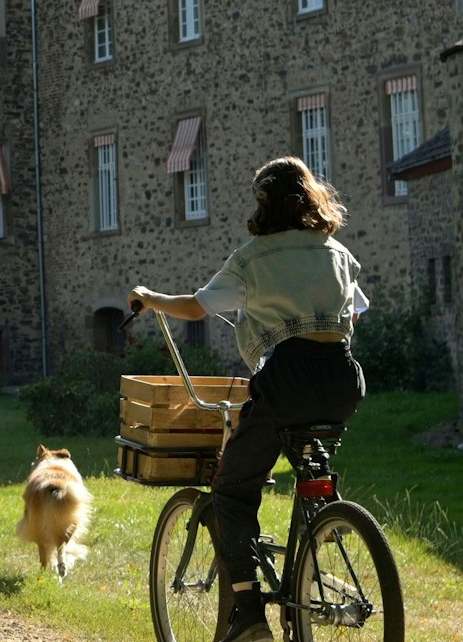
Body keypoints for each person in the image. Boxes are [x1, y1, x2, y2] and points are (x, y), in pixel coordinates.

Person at [130, 157, 368, 642]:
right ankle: (325, 516)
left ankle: (248, 612)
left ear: (264, 203)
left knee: (232, 492)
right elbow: (356, 311)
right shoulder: (336, 251)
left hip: (287, 381)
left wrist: (152, 298)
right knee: (309, 461)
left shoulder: (254, 257)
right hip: (343, 378)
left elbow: (197, 306)